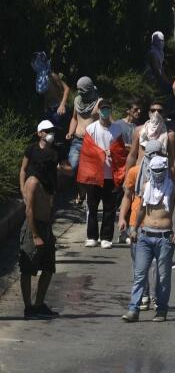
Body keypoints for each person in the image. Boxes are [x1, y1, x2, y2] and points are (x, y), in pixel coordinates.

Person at [121, 155, 175, 323]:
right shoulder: (146, 187)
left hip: (165, 238)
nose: (158, 174)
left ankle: (161, 310)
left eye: (160, 170)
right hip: (145, 236)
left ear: (165, 170)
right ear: (150, 170)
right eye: (155, 170)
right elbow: (141, 210)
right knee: (140, 274)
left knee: (163, 277)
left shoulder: (173, 189)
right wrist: (134, 229)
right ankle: (133, 309)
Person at [18, 121, 66, 318]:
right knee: (28, 268)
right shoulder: (33, 182)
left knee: (48, 267)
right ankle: (28, 307)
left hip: (46, 225)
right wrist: (35, 234)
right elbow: (29, 210)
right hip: (34, 227)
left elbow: (66, 168)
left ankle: (39, 305)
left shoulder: (47, 183)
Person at [77, 99, 130, 248]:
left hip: (110, 175)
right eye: (102, 109)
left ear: (110, 111)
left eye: (107, 109)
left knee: (109, 207)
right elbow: (87, 151)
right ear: (98, 111)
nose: (105, 112)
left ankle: (106, 237)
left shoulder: (117, 129)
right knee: (92, 206)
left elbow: (121, 151)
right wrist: (101, 153)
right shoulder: (91, 129)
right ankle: (92, 236)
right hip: (94, 175)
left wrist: (112, 152)